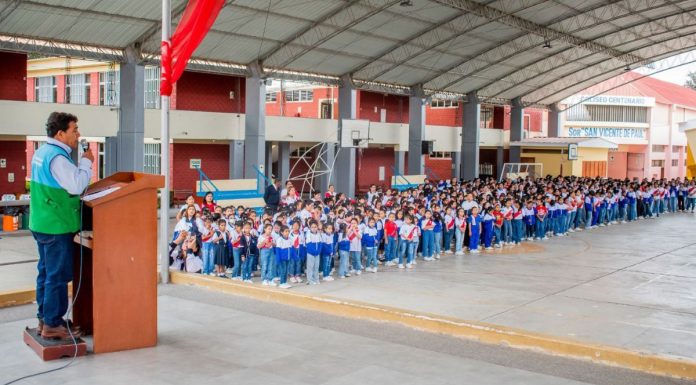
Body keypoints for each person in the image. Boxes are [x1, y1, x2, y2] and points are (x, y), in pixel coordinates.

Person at [30, 112, 94, 339]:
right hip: (56, 226)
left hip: (42, 222)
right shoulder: (57, 157)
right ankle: (53, 324)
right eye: (74, 130)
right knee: (57, 275)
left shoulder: (42, 152)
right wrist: (87, 163)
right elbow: (77, 185)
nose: (78, 135)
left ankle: (45, 318)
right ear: (60, 133)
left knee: (46, 272)